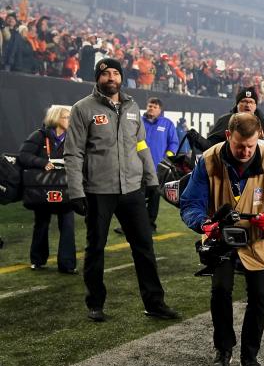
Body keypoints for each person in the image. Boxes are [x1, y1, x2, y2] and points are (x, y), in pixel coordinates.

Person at [64, 58, 180, 323]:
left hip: (131, 190)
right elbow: (73, 153)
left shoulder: (132, 107)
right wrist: (75, 191)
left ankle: (155, 303)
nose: (111, 78)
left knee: (144, 247)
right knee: (95, 249)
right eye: (106, 74)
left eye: (116, 73)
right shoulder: (82, 109)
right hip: (98, 190)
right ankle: (95, 303)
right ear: (98, 78)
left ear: (121, 78)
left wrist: (152, 179)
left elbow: (141, 146)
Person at [180, 113, 264, 366]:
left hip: (259, 239)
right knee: (220, 291)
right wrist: (204, 223)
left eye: (251, 146)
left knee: (258, 296)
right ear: (228, 136)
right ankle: (223, 351)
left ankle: (250, 355)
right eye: (240, 145)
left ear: (259, 138)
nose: (245, 151)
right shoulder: (208, 160)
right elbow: (190, 203)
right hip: (220, 237)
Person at [18, 105, 76, 273]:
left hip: (65, 188)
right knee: (42, 223)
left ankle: (67, 265)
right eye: (66, 117)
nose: (70, 121)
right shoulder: (39, 135)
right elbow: (23, 156)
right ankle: (37, 260)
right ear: (56, 118)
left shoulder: (73, 137)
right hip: (43, 189)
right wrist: (42, 163)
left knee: (67, 224)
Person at [188, 87, 264, 176]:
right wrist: (197, 139)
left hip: (258, 178)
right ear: (237, 104)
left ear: (255, 106)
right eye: (244, 101)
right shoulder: (225, 121)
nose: (248, 105)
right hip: (229, 176)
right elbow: (211, 148)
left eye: (251, 102)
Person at [115, 97, 178, 235]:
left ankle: (150, 225)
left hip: (157, 170)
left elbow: (173, 143)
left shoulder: (167, 124)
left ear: (160, 110)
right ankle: (128, 226)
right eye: (150, 106)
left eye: (155, 107)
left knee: (154, 200)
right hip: (135, 168)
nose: (151, 108)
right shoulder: (138, 122)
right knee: (132, 198)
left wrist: (166, 158)